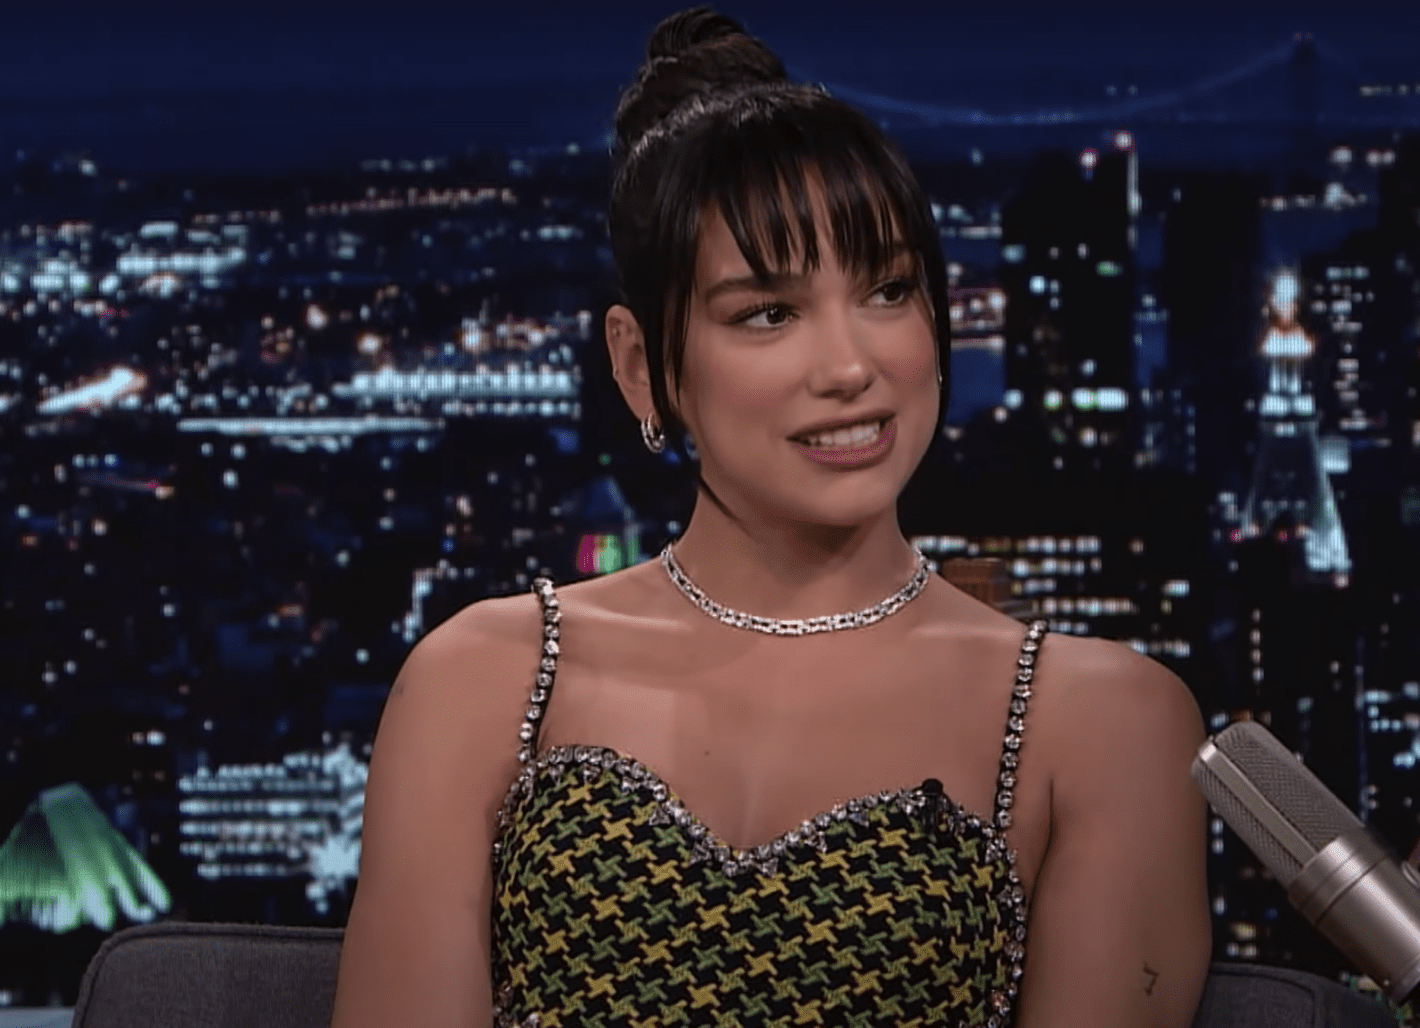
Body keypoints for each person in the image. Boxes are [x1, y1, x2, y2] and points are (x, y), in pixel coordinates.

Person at [329, 7, 1210, 1027]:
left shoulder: (1104, 724)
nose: (850, 366)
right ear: (641, 367)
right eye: (768, 313)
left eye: (889, 290)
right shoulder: (481, 680)